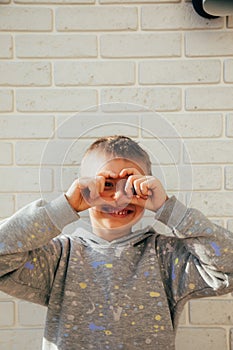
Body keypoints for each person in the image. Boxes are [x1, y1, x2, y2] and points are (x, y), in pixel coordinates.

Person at [0, 135, 233, 350]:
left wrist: (168, 209)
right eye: (107, 185)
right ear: (84, 188)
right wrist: (63, 207)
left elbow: (228, 267)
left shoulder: (167, 257)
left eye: (131, 186)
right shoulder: (59, 257)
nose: (119, 199)